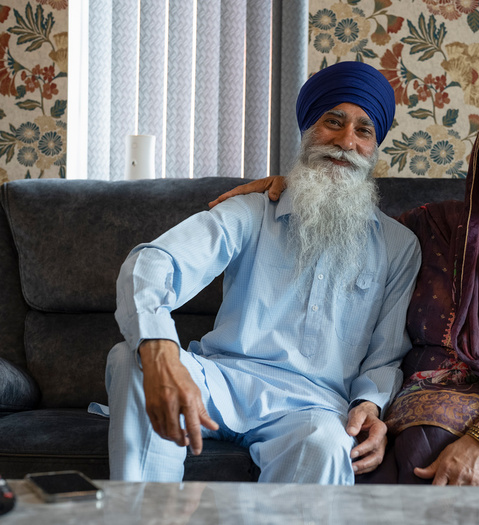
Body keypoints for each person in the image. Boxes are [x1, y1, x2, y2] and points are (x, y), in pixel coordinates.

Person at [212, 103, 479, 487]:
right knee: (427, 435)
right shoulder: (429, 228)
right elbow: (344, 226)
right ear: (477, 167)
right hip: (422, 402)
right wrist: (298, 187)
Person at [105, 60, 421, 485]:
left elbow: (385, 356)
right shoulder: (253, 209)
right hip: (220, 380)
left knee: (327, 445)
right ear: (309, 130)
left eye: (364, 130)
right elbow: (152, 262)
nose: (347, 141)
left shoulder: (400, 246)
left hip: (314, 407)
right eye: (334, 122)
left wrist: (370, 405)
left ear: (375, 147)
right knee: (132, 356)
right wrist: (161, 349)